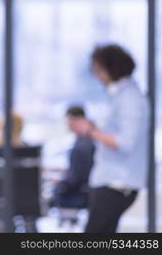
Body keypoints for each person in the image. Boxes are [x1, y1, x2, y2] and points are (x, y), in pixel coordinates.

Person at [72, 44, 149, 233]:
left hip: (116, 184)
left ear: (110, 69)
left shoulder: (130, 99)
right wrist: (95, 129)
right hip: (112, 181)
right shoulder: (121, 96)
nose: (96, 75)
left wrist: (89, 131)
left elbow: (125, 142)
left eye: (98, 69)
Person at [52, 106, 95, 209]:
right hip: (86, 190)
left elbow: (75, 178)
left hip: (78, 194)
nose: (67, 124)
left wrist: (60, 182)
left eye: (69, 120)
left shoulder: (81, 146)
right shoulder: (86, 142)